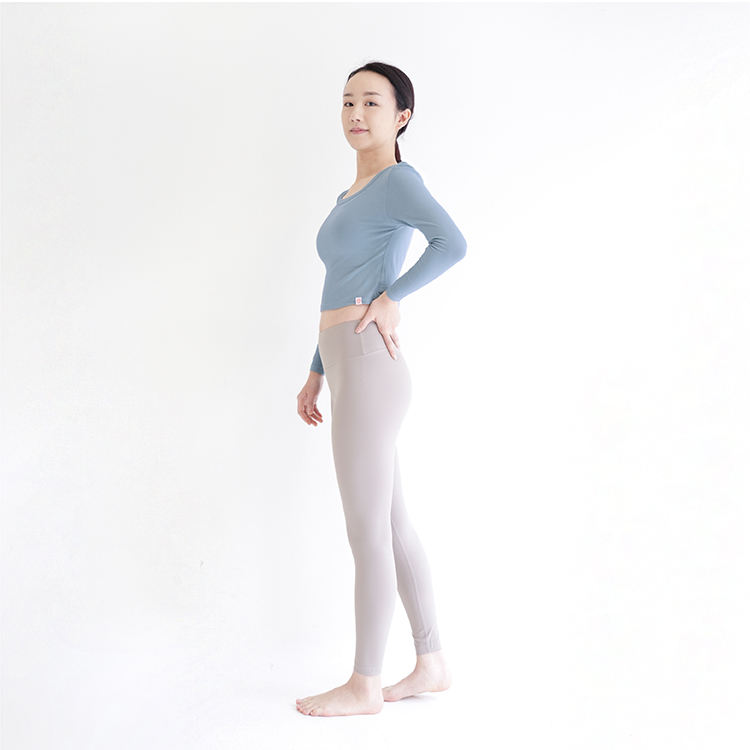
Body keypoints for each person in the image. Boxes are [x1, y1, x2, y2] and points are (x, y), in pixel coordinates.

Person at [295, 61, 466, 717]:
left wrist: (393, 298)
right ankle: (431, 663)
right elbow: (336, 288)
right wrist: (316, 370)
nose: (355, 113)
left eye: (371, 102)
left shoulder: (398, 181)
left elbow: (451, 244)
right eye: (347, 102)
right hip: (347, 362)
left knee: (366, 530)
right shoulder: (350, 196)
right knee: (390, 525)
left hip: (369, 363)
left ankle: (365, 684)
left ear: (402, 116)